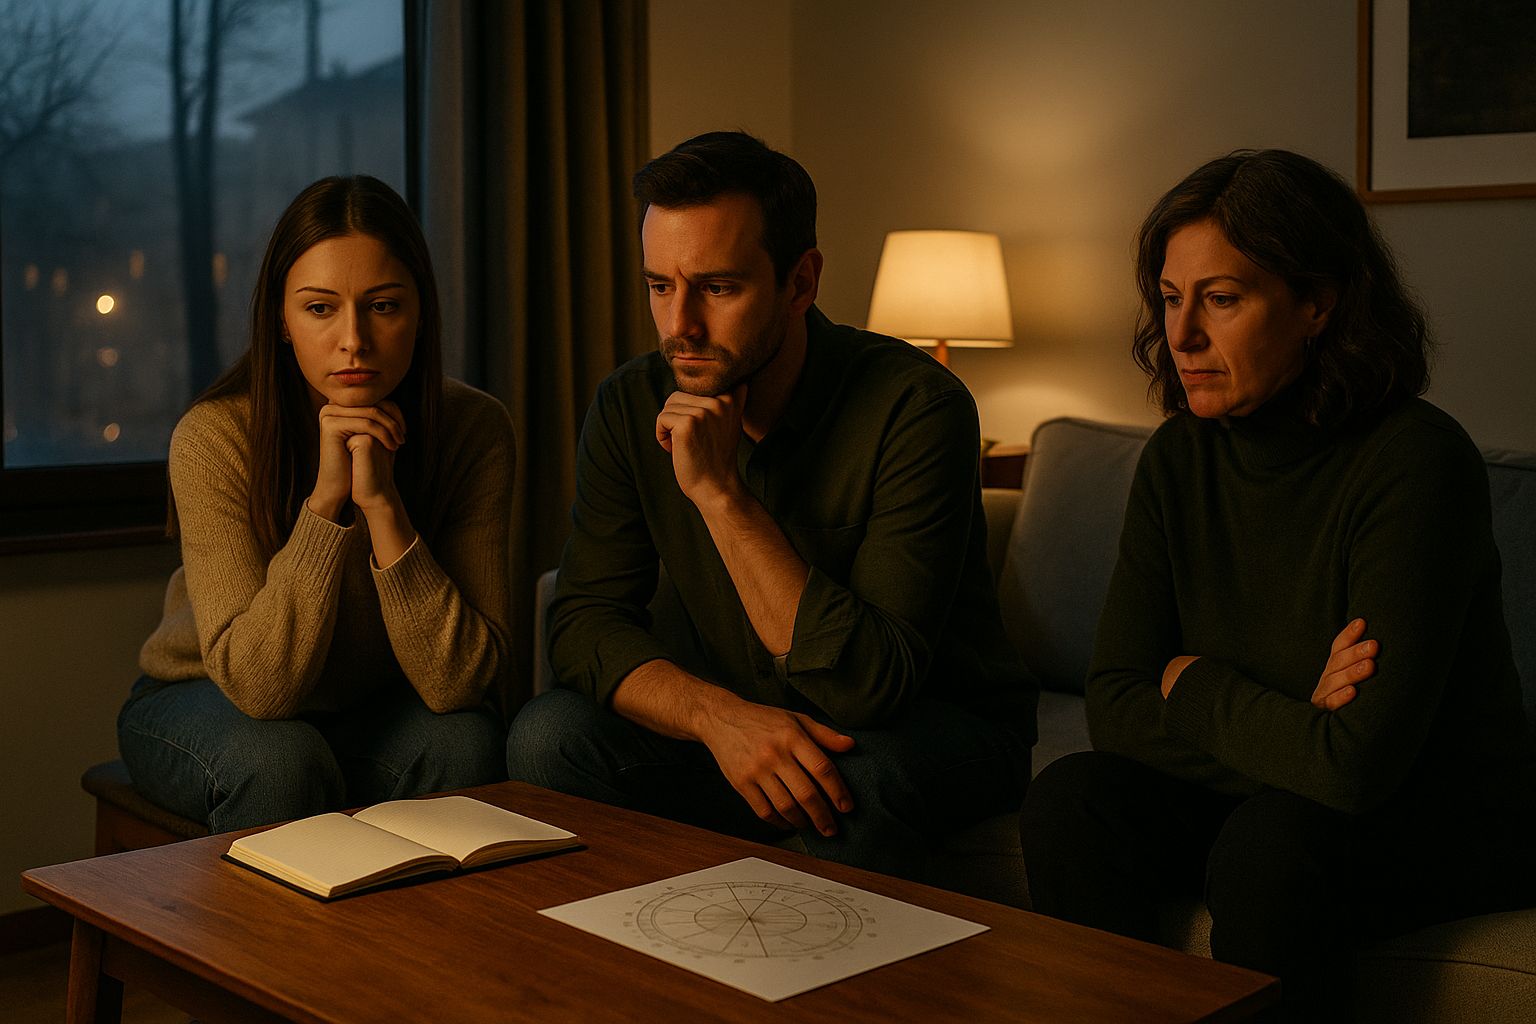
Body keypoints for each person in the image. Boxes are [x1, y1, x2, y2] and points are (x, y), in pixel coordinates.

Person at [1019, 150, 1536, 1021]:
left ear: (1317, 303)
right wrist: (1296, 721)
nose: (1182, 337)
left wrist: (1195, 682)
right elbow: (1114, 701)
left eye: (1222, 299)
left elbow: (1359, 763)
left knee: (1271, 848)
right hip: (1290, 792)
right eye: (1171, 298)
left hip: (1444, 812)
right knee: (1072, 802)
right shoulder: (1179, 458)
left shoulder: (1415, 463)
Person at [505, 131, 1035, 882]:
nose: (679, 324)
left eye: (718, 288)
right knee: (546, 734)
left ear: (800, 283)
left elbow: (865, 686)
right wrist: (718, 719)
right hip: (739, 719)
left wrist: (721, 496)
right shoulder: (630, 403)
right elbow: (585, 624)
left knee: (846, 780)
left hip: (924, 727)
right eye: (660, 285)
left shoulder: (918, 407)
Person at [118, 175, 512, 833]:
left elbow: (459, 684)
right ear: (281, 318)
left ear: (421, 313)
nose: (353, 339)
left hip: (368, 707)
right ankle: (264, 942)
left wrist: (382, 504)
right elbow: (261, 686)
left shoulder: (474, 428)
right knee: (279, 762)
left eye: (383, 306)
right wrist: (327, 505)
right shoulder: (217, 435)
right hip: (202, 696)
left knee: (467, 741)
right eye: (321, 308)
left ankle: (414, 939)